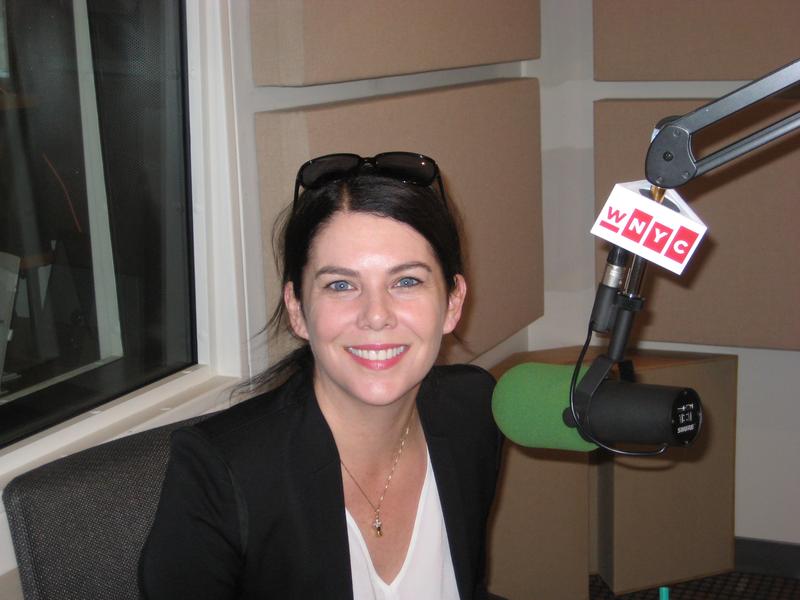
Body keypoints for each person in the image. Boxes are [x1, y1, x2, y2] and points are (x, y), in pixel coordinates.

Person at [139, 152, 503, 599]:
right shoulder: (220, 471)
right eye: (341, 285)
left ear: (452, 302)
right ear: (297, 310)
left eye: (406, 281)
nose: (375, 316)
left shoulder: (473, 411)